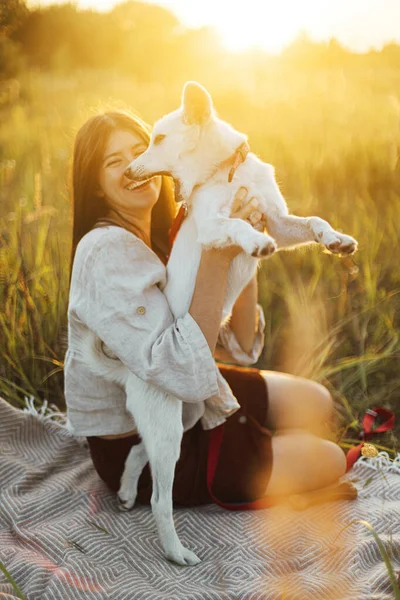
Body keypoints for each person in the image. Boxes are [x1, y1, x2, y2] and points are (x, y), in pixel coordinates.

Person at [64, 109, 347, 508]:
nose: (134, 166)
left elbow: (238, 347)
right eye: (114, 162)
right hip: (145, 443)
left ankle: (262, 445)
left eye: (140, 150)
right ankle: (257, 453)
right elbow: (181, 372)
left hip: (193, 403)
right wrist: (217, 256)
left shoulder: (168, 230)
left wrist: (246, 246)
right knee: (329, 459)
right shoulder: (106, 252)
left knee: (316, 403)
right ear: (95, 187)